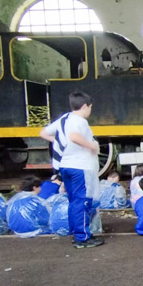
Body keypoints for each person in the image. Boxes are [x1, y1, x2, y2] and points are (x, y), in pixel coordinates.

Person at [39, 92, 104, 248]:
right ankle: (83, 238)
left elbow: (43, 133)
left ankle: (77, 234)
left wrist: (60, 142)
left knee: (74, 201)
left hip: (65, 165)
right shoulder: (79, 121)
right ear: (85, 106)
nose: (90, 110)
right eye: (90, 107)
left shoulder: (64, 118)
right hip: (80, 167)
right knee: (82, 201)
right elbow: (74, 137)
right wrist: (92, 146)